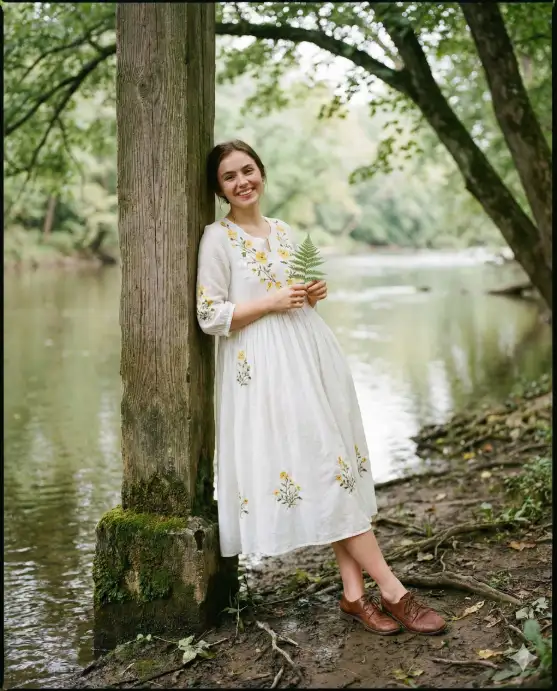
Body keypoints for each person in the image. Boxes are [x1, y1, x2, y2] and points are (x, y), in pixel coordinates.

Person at [196, 139, 446, 636]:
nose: (243, 181)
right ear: (219, 188)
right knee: (324, 472)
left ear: (262, 173)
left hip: (310, 360)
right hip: (265, 376)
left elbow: (297, 303)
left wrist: (312, 296)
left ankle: (354, 596)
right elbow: (210, 315)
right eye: (230, 176)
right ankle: (393, 591)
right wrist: (271, 302)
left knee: (334, 470)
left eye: (249, 170)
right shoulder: (216, 239)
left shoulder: (285, 232)